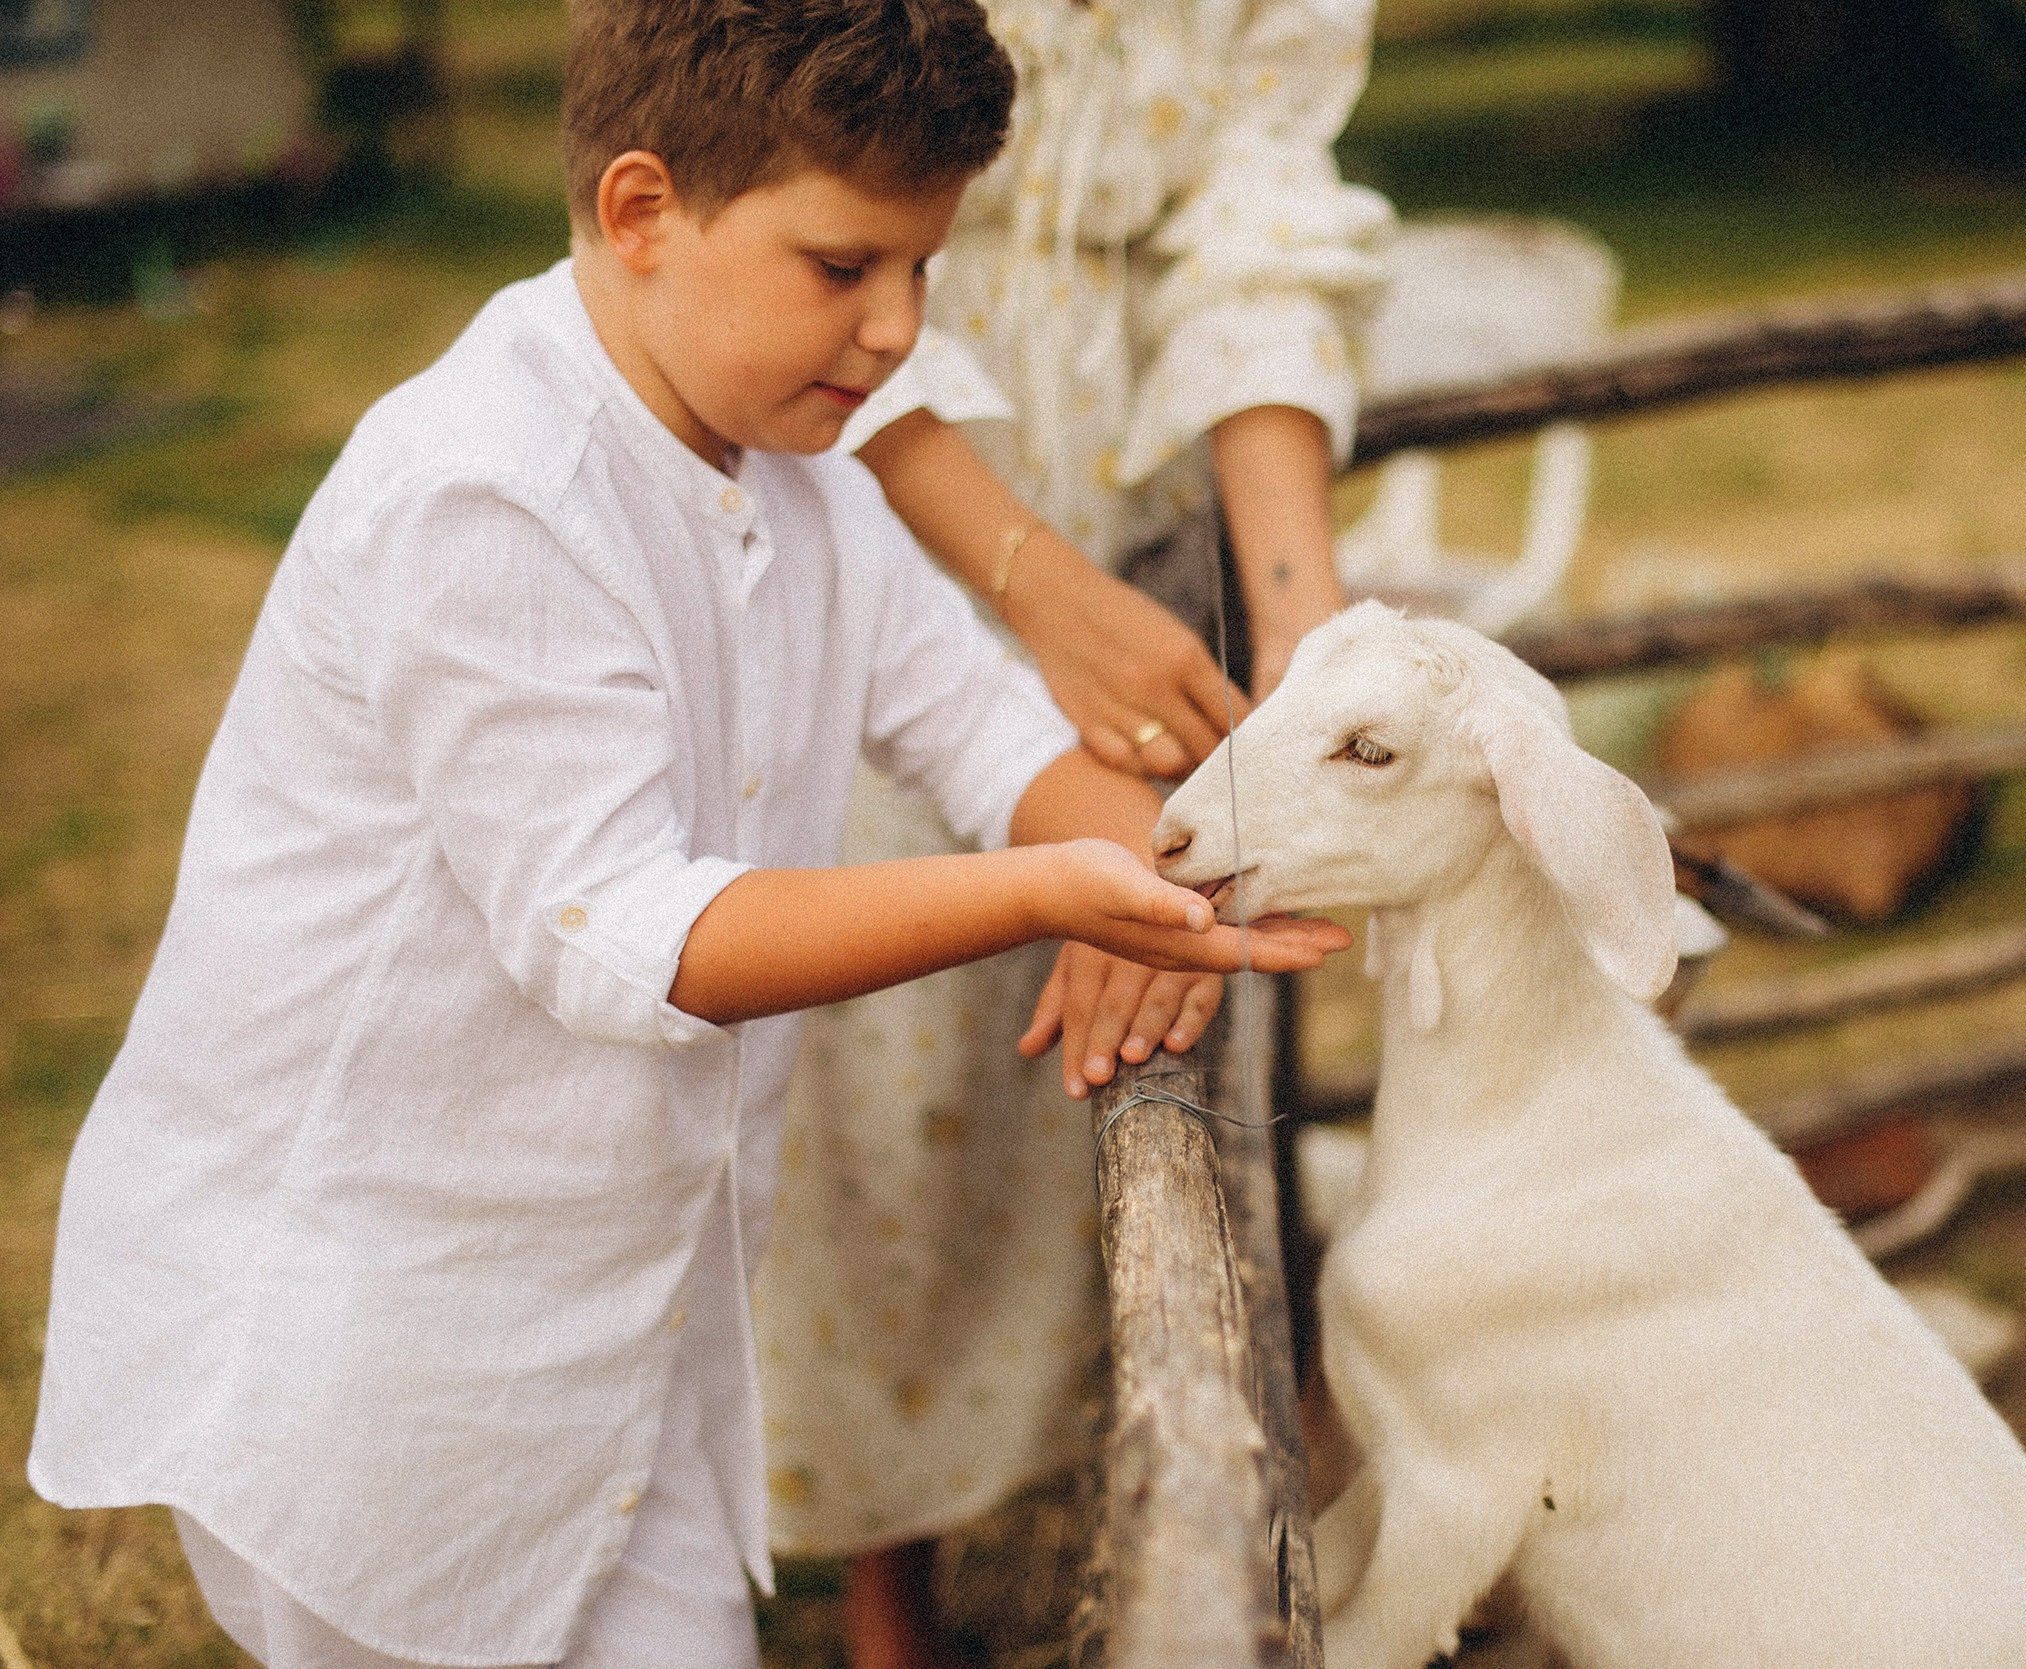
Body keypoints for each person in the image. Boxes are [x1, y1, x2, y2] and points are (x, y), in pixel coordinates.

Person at [24, 3, 1350, 1665]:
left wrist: (1145, 873)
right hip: (375, 1345)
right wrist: (1048, 889)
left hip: (617, 1327)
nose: (894, 334)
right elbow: (633, 936)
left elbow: (984, 724)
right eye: (844, 267)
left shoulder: (807, 474)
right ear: (644, 212)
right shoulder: (486, 493)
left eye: (925, 274)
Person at [748, 3, 1393, 1663]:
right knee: (869, 1083)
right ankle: (887, 1581)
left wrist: (1301, 639)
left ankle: (1079, 1475)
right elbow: (809, 225)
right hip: (866, 476)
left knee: (1070, 1053)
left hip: (1131, 514)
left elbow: (1257, 232)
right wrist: (1026, 580)